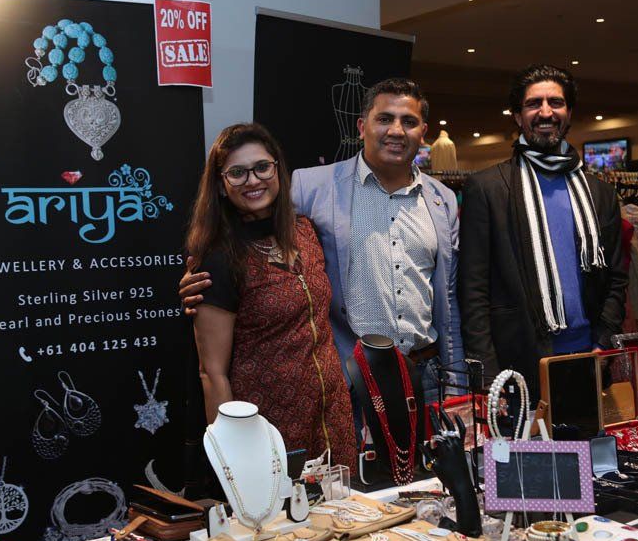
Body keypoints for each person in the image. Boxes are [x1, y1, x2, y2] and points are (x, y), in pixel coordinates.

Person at [181, 79, 464, 402]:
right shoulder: (311, 187)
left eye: (409, 121)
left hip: (425, 374)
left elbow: (448, 297)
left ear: (422, 131)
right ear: (361, 127)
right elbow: (252, 233)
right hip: (349, 380)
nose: (396, 131)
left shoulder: (442, 199)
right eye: (384, 119)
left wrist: (455, 380)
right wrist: (207, 277)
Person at [186, 123, 357, 467]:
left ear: (277, 169)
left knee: (342, 518)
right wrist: (233, 456)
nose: (253, 180)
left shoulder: (305, 232)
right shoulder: (219, 259)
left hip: (332, 417)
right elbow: (212, 372)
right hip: (267, 429)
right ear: (221, 185)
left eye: (262, 167)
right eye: (237, 173)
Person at [458, 64, 628, 397]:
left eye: (556, 103)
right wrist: (488, 375)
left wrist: (603, 342)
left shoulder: (600, 193)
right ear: (518, 116)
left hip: (587, 357)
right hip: (517, 363)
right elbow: (473, 291)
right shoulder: (488, 188)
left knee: (589, 448)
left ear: (569, 113)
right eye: (534, 103)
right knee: (527, 449)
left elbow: (617, 279)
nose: (546, 112)